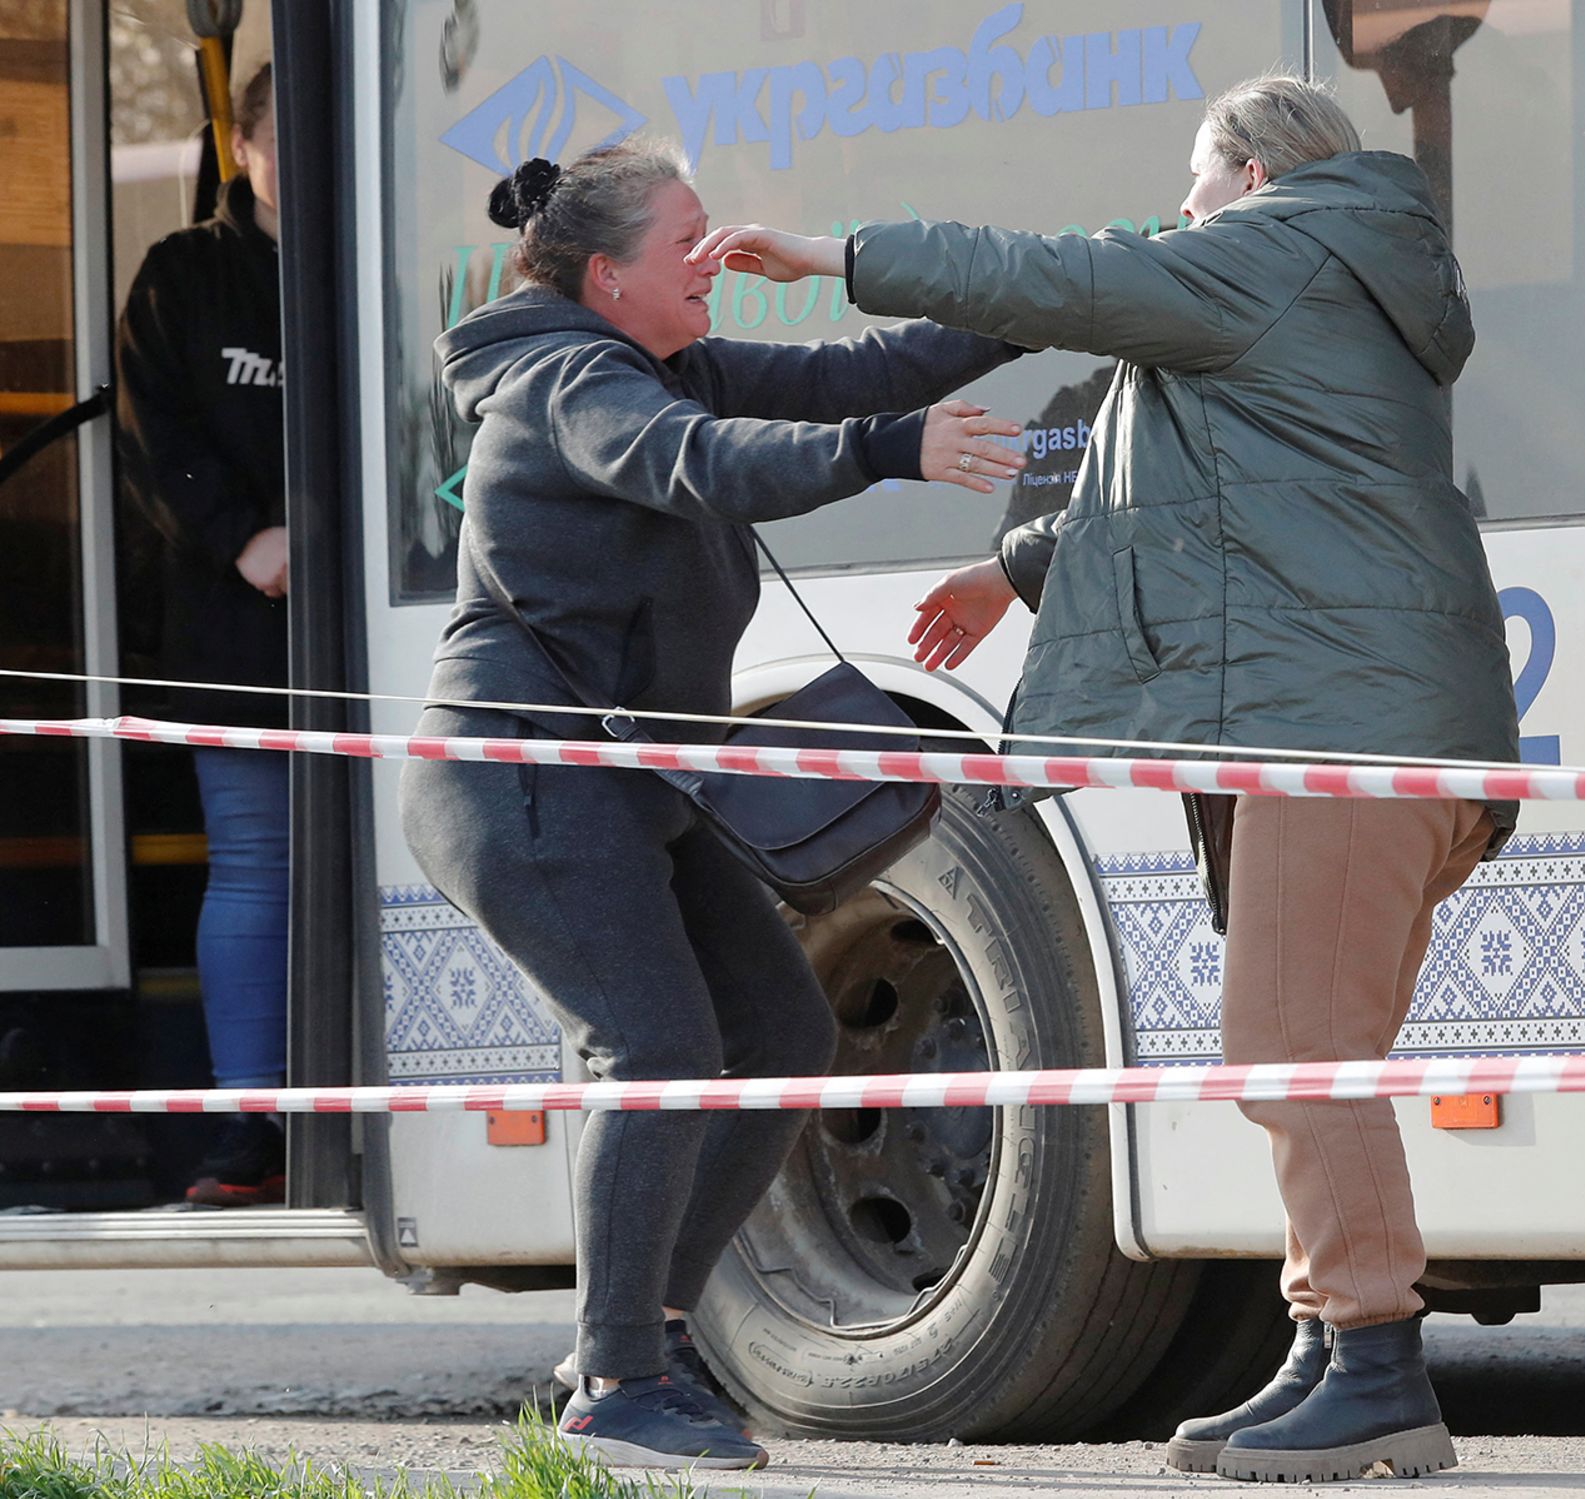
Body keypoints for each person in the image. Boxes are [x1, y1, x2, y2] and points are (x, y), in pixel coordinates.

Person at [689, 73, 1519, 1484]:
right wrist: (1008, 569)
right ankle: (1328, 1345)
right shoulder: (1321, 278)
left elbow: (1050, 276)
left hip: (1340, 735)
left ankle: (1376, 1360)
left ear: (1251, 175)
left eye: (1194, 179)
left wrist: (832, 256)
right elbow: (1193, 501)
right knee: (1306, 1050)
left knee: (1295, 1049)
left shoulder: (1275, 249)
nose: (1178, 209)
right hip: (1362, 724)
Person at [398, 139, 1027, 1471]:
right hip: (524, 778)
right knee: (658, 1045)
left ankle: (637, 1330)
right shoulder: (571, 378)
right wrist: (891, 451)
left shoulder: (663, 355)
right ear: (609, 276)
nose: (715, 252)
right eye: (684, 239)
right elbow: (705, 463)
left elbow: (861, 371)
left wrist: (1046, 301)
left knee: (782, 1030)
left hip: (634, 781)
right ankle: (617, 1374)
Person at [115, 62, 290, 1207]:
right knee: (258, 865)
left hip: (398, 628)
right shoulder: (181, 277)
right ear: (244, 149)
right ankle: (253, 1128)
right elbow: (151, 433)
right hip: (235, 628)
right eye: (293, 140)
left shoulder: (381, 267)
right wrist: (244, 538)